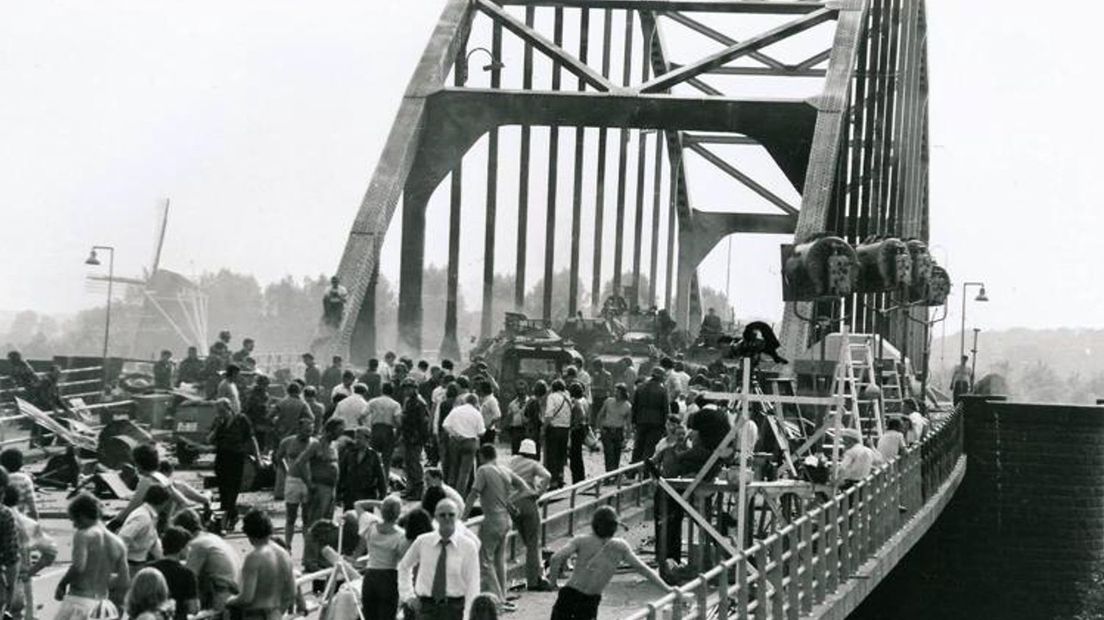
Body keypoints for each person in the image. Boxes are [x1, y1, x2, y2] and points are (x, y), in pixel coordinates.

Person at [547, 506, 673, 620]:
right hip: (591, 600)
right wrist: (667, 588)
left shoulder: (581, 540)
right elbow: (644, 570)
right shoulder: (620, 547)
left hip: (570, 594)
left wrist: (553, 584)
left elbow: (555, 558)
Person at [462, 445, 532, 610]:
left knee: (485, 561)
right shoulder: (504, 471)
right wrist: (510, 501)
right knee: (500, 561)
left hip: (492, 519)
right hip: (505, 519)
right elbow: (525, 488)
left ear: (481, 456)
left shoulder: (483, 470)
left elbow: (473, 494)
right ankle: (503, 594)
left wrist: (463, 517)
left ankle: (498, 601)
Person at [396, 499, 480, 620]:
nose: (447, 518)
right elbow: (404, 567)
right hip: (426, 608)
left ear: (457, 517)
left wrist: (468, 616)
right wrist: (408, 596)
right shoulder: (423, 541)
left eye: (451, 514)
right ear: (435, 517)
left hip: (455, 609)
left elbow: (473, 584)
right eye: (442, 515)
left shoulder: (468, 546)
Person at [56, 493, 129, 620]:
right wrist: (104, 578)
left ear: (82, 516)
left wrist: (62, 584)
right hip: (102, 605)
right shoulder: (119, 543)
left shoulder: (84, 535)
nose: (74, 525)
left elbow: (79, 566)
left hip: (79, 600)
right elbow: (124, 581)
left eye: (74, 520)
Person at [226, 510, 296, 620]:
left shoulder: (254, 558)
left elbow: (246, 598)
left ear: (248, 533)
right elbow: (292, 593)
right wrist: (278, 612)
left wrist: (230, 601)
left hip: (255, 615)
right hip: (275, 614)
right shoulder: (284, 555)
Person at [296, 417, 344, 571]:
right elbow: (300, 463)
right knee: (315, 524)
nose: (341, 433)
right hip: (319, 488)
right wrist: (309, 484)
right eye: (339, 429)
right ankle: (309, 559)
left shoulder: (334, 445)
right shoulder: (316, 444)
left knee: (326, 526)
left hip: (331, 489)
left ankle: (321, 557)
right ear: (330, 429)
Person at [506, 440, 553, 591]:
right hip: (527, 502)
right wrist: (538, 493)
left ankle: (536, 575)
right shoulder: (533, 464)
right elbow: (547, 476)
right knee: (533, 544)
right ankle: (533, 581)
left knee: (526, 542)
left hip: (512, 505)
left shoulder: (512, 462)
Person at [174, 509, 241, 612]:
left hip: (222, 595)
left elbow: (188, 577)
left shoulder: (197, 544)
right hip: (235, 589)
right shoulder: (211, 537)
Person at [208, 397, 258, 532]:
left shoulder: (241, 420)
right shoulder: (219, 422)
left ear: (229, 408)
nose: (220, 413)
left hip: (236, 458)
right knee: (223, 491)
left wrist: (257, 457)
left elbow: (251, 438)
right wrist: (218, 426)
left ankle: (229, 518)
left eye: (222, 411)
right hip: (222, 457)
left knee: (233, 489)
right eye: (218, 411)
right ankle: (231, 517)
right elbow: (209, 440)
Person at [6, 485, 56, 620]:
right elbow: (51, 551)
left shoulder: (5, 519)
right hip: (20, 586)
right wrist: (31, 571)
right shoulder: (28, 523)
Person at [361, 496, 408, 620]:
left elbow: (358, 505)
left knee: (369, 615)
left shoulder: (371, 528)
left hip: (370, 575)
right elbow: (404, 559)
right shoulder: (401, 535)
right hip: (389, 576)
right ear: (398, 514)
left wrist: (378, 503)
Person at [275, 418, 315, 550]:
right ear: (299, 429)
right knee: (291, 515)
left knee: (307, 516)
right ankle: (288, 545)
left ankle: (307, 548)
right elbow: (278, 457)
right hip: (293, 480)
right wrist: (286, 470)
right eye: (305, 431)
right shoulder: (288, 442)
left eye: (310, 431)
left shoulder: (314, 443)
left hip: (308, 481)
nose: (308, 434)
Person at [148, 528, 198, 620]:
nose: (189, 549)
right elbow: (193, 608)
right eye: (187, 546)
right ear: (181, 548)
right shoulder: (187, 574)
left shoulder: (149, 568)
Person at [118, 484, 172, 570]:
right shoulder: (142, 517)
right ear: (163, 502)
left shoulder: (150, 515)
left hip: (140, 562)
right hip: (131, 563)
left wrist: (164, 563)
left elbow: (154, 542)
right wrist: (122, 566)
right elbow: (123, 539)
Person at [442, 394, 485, 496]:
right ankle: (460, 495)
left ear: (465, 401)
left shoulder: (456, 410)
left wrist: (455, 434)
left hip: (455, 441)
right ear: (476, 402)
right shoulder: (477, 413)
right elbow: (481, 432)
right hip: (470, 442)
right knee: (464, 472)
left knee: (453, 468)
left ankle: (450, 494)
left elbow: (445, 425)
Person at [399, 378, 432, 501]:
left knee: (414, 464)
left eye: (409, 388)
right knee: (408, 464)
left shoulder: (419, 403)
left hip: (415, 439)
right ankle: (410, 489)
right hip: (408, 437)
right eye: (405, 388)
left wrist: (421, 439)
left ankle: (418, 491)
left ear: (414, 389)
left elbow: (423, 423)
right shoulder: (409, 401)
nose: (406, 391)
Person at [338, 427, 388, 508]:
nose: (356, 440)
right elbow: (342, 473)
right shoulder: (349, 454)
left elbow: (381, 477)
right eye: (355, 437)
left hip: (367, 497)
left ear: (367, 439)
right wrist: (338, 493)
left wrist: (383, 496)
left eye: (359, 438)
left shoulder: (373, 456)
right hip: (350, 495)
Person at [631, 367, 669, 463]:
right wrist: (665, 425)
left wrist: (633, 421)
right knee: (650, 448)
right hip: (657, 423)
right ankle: (646, 472)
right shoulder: (662, 390)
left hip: (641, 421)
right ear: (661, 377)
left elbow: (634, 406)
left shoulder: (640, 388)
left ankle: (632, 471)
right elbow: (665, 410)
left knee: (638, 446)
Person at [367, 383, 402, 478]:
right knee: (386, 460)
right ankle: (384, 482)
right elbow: (399, 422)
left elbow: (363, 414)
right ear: (392, 391)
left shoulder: (373, 401)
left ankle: (371, 479)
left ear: (381, 390)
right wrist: (397, 433)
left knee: (371, 458)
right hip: (388, 431)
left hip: (375, 429)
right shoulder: (395, 404)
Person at [543, 380, 572, 489]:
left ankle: (553, 481)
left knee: (552, 456)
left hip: (554, 429)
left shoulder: (552, 397)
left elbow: (549, 414)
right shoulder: (568, 397)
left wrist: (543, 427)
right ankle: (561, 477)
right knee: (561, 455)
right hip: (565, 429)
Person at [596, 384, 632, 473]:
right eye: (615, 391)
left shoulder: (627, 406)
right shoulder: (608, 401)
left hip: (618, 432)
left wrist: (627, 437)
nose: (615, 394)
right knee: (609, 453)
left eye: (618, 392)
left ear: (623, 393)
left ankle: (614, 474)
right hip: (607, 431)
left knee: (617, 454)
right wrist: (600, 429)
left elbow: (628, 423)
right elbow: (600, 415)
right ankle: (608, 474)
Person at [1, 448, 37, 518]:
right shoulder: (25, 479)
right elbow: (32, 505)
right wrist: (35, 522)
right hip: (18, 517)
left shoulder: (2, 478)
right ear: (21, 463)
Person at [567, 383, 590, 484]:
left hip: (577, 429)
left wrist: (574, 424)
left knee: (574, 455)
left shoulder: (576, 402)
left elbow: (581, 415)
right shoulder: (584, 400)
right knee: (578, 455)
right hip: (583, 428)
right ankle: (580, 476)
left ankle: (577, 478)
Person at [504, 382, 529, 455]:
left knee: (525, 453)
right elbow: (509, 417)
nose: (521, 392)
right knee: (515, 452)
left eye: (522, 389)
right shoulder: (512, 404)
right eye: (519, 390)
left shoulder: (530, 402)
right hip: (515, 430)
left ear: (526, 390)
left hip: (526, 430)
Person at [476, 381, 501, 446]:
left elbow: (497, 415)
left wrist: (488, 425)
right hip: (481, 430)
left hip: (488, 431)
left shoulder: (492, 400)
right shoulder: (484, 400)